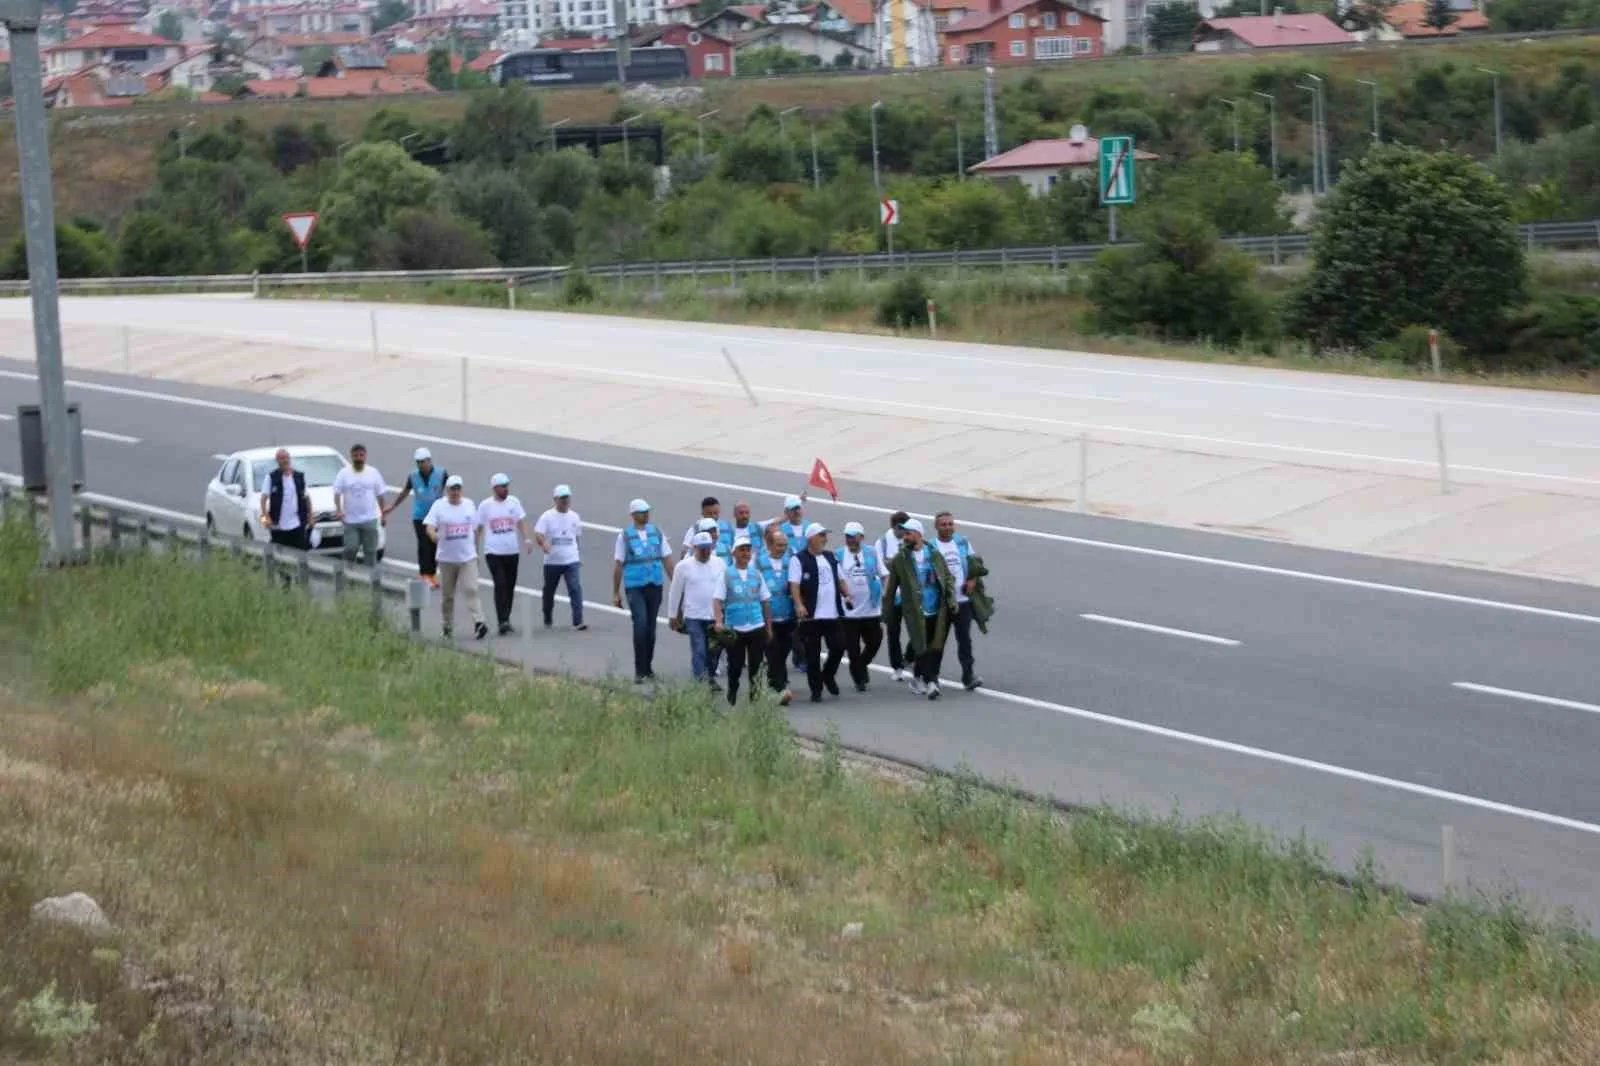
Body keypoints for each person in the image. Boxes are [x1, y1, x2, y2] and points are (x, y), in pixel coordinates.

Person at [882, 518, 955, 700]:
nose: (904, 537)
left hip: (936, 609)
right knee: (921, 646)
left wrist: (951, 600)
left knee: (933, 646)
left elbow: (947, 578)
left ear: (919, 534)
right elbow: (891, 589)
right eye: (903, 534)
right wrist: (886, 612)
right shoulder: (901, 559)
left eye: (908, 533)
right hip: (914, 611)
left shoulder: (934, 555)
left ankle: (917, 679)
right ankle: (930, 682)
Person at [612, 499, 675, 684]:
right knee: (640, 624)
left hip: (654, 585)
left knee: (651, 628)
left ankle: (648, 667)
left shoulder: (656, 532)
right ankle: (639, 670)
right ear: (633, 515)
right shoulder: (624, 536)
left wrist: (678, 585)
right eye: (641, 512)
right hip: (635, 586)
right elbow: (618, 565)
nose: (646, 514)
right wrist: (615, 592)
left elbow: (667, 560)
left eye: (647, 511)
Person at [788, 522, 851, 703]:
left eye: (825, 535)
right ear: (811, 539)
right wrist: (799, 604)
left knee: (839, 646)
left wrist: (846, 593)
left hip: (832, 614)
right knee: (812, 655)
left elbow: (840, 579)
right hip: (812, 616)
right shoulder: (799, 559)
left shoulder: (830, 557)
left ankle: (828, 675)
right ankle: (816, 690)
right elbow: (795, 585)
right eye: (821, 535)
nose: (825, 539)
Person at [423, 475, 487, 641]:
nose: (455, 492)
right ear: (447, 491)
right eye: (452, 489)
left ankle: (479, 622)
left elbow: (476, 528)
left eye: (458, 489)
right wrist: (433, 535)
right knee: (448, 596)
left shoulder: (469, 505)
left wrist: (476, 550)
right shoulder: (439, 506)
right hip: (446, 559)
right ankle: (447, 626)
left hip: (467, 557)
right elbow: (429, 526)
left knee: (471, 589)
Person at [718, 535, 772, 707]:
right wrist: (719, 621)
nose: (745, 553)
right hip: (735, 628)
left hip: (756, 626)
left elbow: (765, 602)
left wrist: (768, 627)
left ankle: (754, 698)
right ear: (734, 553)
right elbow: (717, 600)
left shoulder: (756, 575)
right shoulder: (727, 574)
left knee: (756, 666)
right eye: (742, 550)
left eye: (748, 550)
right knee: (735, 665)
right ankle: (733, 690)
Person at [932, 511, 983, 691]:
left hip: (962, 602)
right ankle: (932, 678)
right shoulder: (931, 547)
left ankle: (968, 676)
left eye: (950, 524)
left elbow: (974, 565)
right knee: (938, 642)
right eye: (943, 524)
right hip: (942, 604)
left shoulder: (962, 542)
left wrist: (971, 580)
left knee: (965, 641)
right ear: (936, 527)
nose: (947, 527)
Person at [668, 530, 727, 685]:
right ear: (695, 548)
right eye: (702, 548)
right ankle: (700, 681)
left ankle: (710, 677)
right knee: (699, 648)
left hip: (714, 615)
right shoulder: (683, 567)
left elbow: (725, 587)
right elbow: (675, 591)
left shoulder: (719, 563)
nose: (706, 551)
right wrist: (673, 615)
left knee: (714, 651)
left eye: (708, 547)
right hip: (693, 615)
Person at [384, 448, 447, 588]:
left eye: (423, 462)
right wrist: (392, 506)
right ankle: (425, 575)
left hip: (437, 516)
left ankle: (431, 573)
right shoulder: (413, 476)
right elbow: (405, 492)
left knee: (435, 546)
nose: (421, 465)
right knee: (424, 545)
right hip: (420, 517)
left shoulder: (441, 474)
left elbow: (450, 491)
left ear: (430, 461)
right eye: (418, 462)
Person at [836, 521, 888, 693]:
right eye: (847, 536)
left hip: (871, 609)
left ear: (861, 537)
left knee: (875, 641)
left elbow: (884, 574)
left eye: (853, 536)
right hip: (848, 611)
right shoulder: (839, 555)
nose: (850, 540)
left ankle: (862, 664)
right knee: (852, 649)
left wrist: (885, 593)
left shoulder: (872, 553)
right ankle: (859, 678)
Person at [477, 473, 531, 636]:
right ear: (495, 488)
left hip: (512, 551)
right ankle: (502, 621)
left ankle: (506, 618)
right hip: (493, 551)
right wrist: (474, 548)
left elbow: (521, 521)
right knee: (500, 584)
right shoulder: (485, 506)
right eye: (503, 486)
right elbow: (478, 527)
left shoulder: (514, 502)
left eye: (507, 485)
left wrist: (527, 539)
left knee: (510, 586)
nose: (506, 489)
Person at [534, 483, 586, 631]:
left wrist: (577, 555)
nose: (565, 501)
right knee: (549, 590)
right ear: (555, 499)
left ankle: (578, 621)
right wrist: (543, 544)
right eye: (562, 498)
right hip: (552, 561)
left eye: (567, 498)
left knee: (575, 588)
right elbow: (538, 533)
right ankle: (547, 617)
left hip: (571, 560)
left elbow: (576, 537)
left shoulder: (574, 517)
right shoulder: (547, 516)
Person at [757, 525, 796, 706]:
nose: (782, 548)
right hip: (768, 617)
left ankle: (777, 682)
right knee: (772, 653)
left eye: (785, 545)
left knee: (783, 652)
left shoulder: (792, 560)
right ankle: (780, 689)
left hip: (788, 616)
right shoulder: (759, 561)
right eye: (779, 545)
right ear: (770, 545)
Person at [332, 442, 386, 567]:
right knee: (351, 548)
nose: (359, 458)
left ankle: (370, 580)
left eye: (361, 455)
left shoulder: (373, 472)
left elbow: (381, 495)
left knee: (371, 552)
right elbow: (337, 493)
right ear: (351, 457)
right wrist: (339, 510)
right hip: (350, 520)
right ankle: (347, 573)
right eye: (356, 456)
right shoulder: (344, 473)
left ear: (365, 456)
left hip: (370, 519)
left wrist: (383, 514)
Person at [259, 448, 310, 552]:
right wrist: (265, 518)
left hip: (297, 524)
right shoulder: (271, 477)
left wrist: (310, 516)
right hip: (278, 525)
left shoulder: (298, 477)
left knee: (301, 552)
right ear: (277, 461)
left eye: (286, 458)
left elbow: (306, 498)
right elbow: (263, 499)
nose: (285, 461)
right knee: (280, 554)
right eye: (281, 458)